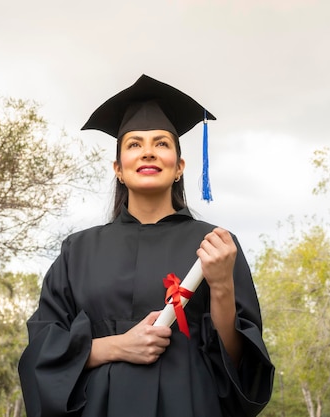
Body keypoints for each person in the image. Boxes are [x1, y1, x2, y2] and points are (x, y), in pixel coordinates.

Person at [18, 74, 274, 417]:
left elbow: (239, 365)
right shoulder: (77, 252)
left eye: (162, 143)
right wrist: (116, 346)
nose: (148, 152)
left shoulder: (216, 246)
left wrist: (222, 286)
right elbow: (41, 354)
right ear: (118, 169)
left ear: (179, 167)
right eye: (134, 144)